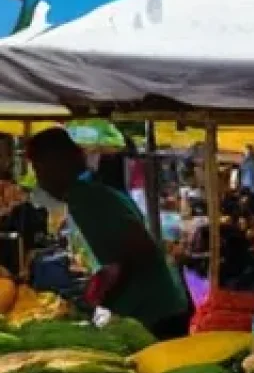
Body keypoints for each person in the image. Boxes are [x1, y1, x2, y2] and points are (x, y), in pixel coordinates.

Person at [27, 128, 191, 338]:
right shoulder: (89, 191)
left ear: (56, 163)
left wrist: (104, 292)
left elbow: (140, 248)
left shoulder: (86, 198)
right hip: (159, 304)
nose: (39, 179)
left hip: (155, 310)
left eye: (38, 168)